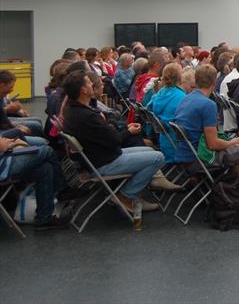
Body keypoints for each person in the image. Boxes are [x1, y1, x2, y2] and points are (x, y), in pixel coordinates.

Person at [62, 72, 166, 213]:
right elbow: (115, 140)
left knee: (151, 152)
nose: (92, 84)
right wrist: (128, 131)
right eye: (88, 83)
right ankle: (126, 195)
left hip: (98, 158)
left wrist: (119, 129)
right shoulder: (87, 116)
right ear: (83, 90)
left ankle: (130, 194)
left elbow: (109, 137)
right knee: (158, 157)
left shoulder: (72, 110)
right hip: (104, 163)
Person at [172, 65, 239, 210]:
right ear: (214, 82)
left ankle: (233, 193)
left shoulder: (186, 99)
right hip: (200, 157)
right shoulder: (207, 104)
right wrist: (233, 142)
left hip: (184, 154)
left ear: (196, 81)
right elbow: (213, 144)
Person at [0, 136, 80, 230]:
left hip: (4, 160)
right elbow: (3, 147)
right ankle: (62, 189)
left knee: (45, 169)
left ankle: (44, 218)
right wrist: (13, 143)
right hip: (3, 167)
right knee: (47, 150)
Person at [147, 63, 187, 163]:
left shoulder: (160, 93)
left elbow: (149, 107)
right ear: (180, 78)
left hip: (165, 142)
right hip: (179, 145)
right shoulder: (182, 97)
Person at [0, 70, 45, 139]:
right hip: (3, 129)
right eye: (11, 87)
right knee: (36, 127)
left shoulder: (2, 95)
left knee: (37, 121)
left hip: (4, 122)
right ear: (2, 85)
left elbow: (4, 114)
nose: (12, 90)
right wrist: (16, 127)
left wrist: (18, 111)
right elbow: (3, 121)